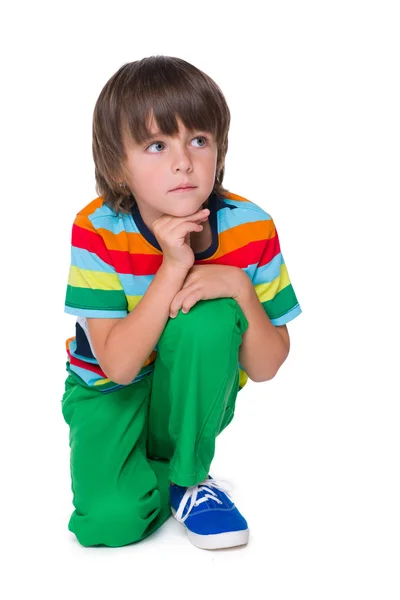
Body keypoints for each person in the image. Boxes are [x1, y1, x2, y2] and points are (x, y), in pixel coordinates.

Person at [62, 55, 302, 550]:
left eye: (199, 140)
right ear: (118, 166)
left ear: (219, 148)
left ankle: (187, 477)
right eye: (156, 145)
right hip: (109, 389)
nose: (183, 163)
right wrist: (174, 266)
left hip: (188, 384)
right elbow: (120, 367)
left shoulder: (251, 225)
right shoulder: (97, 229)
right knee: (109, 524)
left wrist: (237, 285)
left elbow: (267, 366)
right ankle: (156, 472)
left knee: (209, 319)